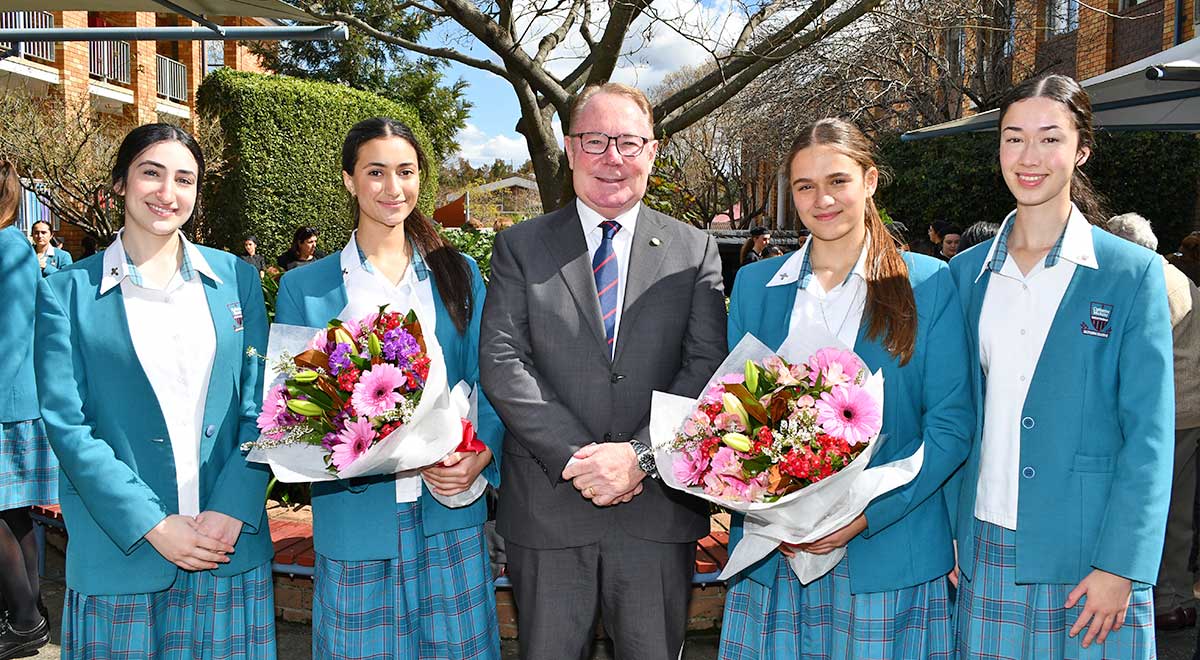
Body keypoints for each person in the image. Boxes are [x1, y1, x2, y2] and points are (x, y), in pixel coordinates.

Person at [479, 82, 727, 660]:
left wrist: (637, 458)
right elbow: (502, 360)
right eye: (594, 140)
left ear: (653, 151)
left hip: (657, 511)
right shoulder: (520, 246)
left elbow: (706, 369)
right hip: (549, 510)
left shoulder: (695, 251)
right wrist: (578, 458)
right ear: (569, 150)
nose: (612, 157)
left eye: (628, 142)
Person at [717, 118, 972, 659]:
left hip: (887, 551)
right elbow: (732, 416)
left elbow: (950, 426)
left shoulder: (926, 283)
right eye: (805, 186)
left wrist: (864, 514)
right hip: (774, 556)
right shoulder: (756, 286)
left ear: (870, 180)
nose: (822, 199)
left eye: (838, 181)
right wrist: (769, 505)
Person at [949, 75, 1172, 659]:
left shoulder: (1131, 274)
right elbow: (956, 414)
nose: (1029, 158)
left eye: (1050, 139)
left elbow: (1149, 435)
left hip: (1089, 557)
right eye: (1013, 138)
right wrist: (949, 533)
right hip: (985, 545)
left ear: (1082, 149)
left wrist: (1122, 565)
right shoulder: (965, 273)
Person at [33, 123, 276, 659]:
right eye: (151, 173)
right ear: (119, 183)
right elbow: (69, 428)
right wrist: (155, 524)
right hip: (122, 554)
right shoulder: (64, 292)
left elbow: (266, 405)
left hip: (227, 549)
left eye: (184, 179)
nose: (168, 193)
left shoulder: (237, 278)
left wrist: (233, 508)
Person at [274, 117, 504, 659]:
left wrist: (484, 451)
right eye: (375, 172)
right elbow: (292, 408)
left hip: (449, 507)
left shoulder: (458, 272)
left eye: (405, 171)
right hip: (358, 518)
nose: (392, 187)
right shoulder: (306, 287)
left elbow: (492, 376)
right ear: (350, 181)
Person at [1107, 212, 1200, 631]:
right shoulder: (1176, 277)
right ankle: (1174, 598)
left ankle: (1164, 599)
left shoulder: (1148, 283)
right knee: (1176, 511)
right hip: (1187, 409)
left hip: (1170, 412)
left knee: (1156, 510)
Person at [0, 159, 56, 659]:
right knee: (14, 516)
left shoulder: (10, 247)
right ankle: (26, 612)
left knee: (10, 515)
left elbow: (13, 337)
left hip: (7, 405)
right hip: (9, 403)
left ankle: (26, 618)